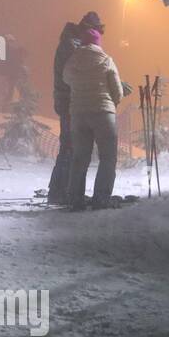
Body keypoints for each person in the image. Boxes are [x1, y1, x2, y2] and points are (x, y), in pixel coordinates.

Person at [62, 25, 125, 210]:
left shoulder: (72, 61)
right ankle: (101, 198)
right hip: (103, 113)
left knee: (80, 157)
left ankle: (75, 198)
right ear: (98, 43)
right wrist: (111, 102)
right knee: (107, 157)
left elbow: (66, 80)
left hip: (79, 114)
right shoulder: (106, 60)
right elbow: (118, 91)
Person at [46, 12, 102, 203]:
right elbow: (78, 74)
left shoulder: (74, 44)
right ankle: (60, 192)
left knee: (73, 147)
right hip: (69, 102)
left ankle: (64, 191)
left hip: (72, 101)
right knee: (71, 147)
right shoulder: (71, 46)